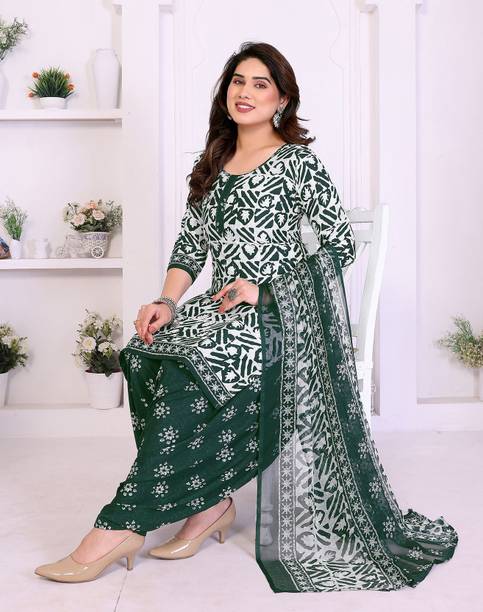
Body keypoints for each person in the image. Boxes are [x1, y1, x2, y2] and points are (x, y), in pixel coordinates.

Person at [34, 41, 458, 590]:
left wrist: (266, 290)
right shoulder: (212, 163)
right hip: (218, 311)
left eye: (261, 84)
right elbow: (191, 246)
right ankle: (209, 503)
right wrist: (166, 301)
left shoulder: (299, 164)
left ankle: (121, 524)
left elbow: (338, 247)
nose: (246, 92)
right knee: (144, 350)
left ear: (282, 99)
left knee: (192, 370)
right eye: (238, 80)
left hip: (280, 319)